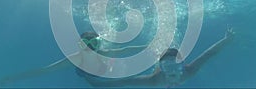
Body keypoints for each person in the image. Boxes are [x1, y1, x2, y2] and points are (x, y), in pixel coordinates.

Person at [83, 27, 235, 87]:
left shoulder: (189, 71)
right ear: (161, 69)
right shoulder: (154, 80)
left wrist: (226, 39)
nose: (172, 70)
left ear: (182, 64)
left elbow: (208, 55)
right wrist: (95, 82)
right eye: (167, 66)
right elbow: (123, 82)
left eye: (175, 65)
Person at [0, 31, 146, 86]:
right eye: (84, 44)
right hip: (86, 73)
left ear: (98, 45)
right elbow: (45, 70)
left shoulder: (104, 53)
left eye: (93, 43)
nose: (89, 47)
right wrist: (13, 77)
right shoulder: (74, 59)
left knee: (114, 67)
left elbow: (126, 50)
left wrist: (155, 48)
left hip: (104, 68)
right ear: (79, 46)